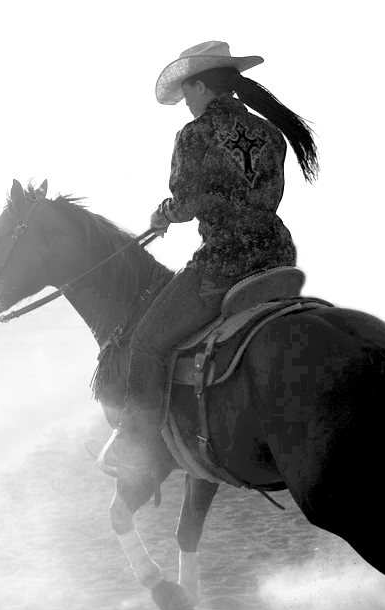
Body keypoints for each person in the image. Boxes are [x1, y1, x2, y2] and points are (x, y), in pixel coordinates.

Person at [97, 40, 320, 477]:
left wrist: (162, 215)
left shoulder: (194, 135)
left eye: (186, 92)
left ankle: (136, 447)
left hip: (224, 261)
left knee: (145, 342)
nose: (184, 102)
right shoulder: (270, 134)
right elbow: (266, 196)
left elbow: (186, 202)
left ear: (201, 86)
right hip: (276, 257)